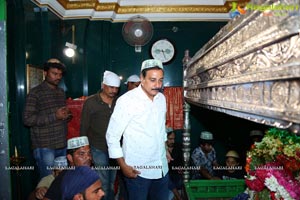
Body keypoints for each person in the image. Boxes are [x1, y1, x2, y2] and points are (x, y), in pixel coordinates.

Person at [106, 59, 170, 200]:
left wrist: (165, 150)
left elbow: (161, 128)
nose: (157, 85)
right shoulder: (127, 101)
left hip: (161, 168)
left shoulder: (161, 99)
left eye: (160, 80)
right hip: (138, 171)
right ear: (142, 78)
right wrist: (123, 166)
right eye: (153, 80)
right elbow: (112, 136)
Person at [23, 58, 72, 179]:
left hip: (62, 144)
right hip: (45, 147)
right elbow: (27, 119)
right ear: (45, 73)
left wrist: (66, 116)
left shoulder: (61, 92)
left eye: (60, 74)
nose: (58, 77)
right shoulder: (35, 93)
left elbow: (60, 116)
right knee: (47, 182)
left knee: (61, 181)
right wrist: (54, 116)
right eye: (54, 73)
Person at [80, 70, 121, 200]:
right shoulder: (91, 102)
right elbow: (84, 127)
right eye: (111, 87)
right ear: (103, 85)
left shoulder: (119, 102)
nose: (114, 90)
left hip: (115, 148)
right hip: (98, 147)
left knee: (111, 180)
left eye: (116, 88)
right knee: (103, 182)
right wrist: (84, 150)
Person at [43, 136, 92, 200]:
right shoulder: (63, 179)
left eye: (89, 153)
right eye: (81, 154)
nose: (88, 157)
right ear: (70, 158)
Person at [166, 127, 183, 200]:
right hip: (166, 176)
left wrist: (181, 167)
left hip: (176, 174)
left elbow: (183, 160)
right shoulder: (161, 149)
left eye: (174, 139)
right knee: (166, 179)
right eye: (170, 139)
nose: (173, 141)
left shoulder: (178, 146)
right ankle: (178, 196)